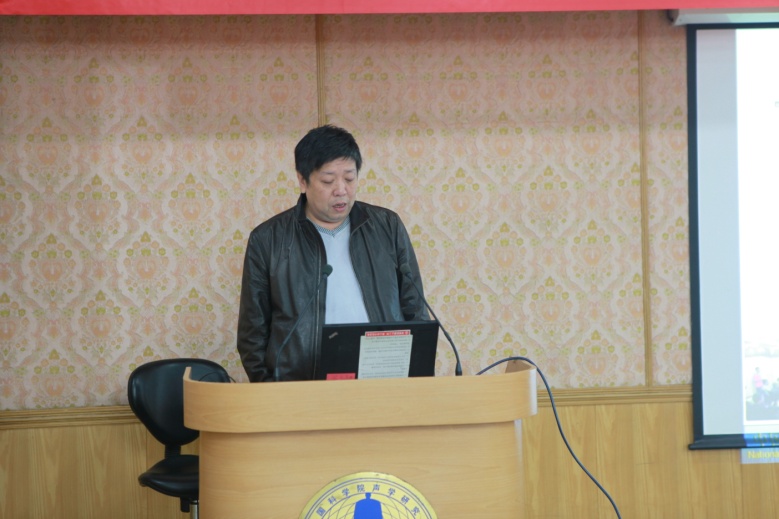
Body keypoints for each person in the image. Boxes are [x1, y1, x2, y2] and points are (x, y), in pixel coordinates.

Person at [237, 125, 429, 382]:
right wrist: (271, 390)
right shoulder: (268, 240)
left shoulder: (387, 227)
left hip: (382, 379)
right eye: (328, 181)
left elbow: (415, 309)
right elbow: (252, 334)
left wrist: (414, 378)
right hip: (301, 385)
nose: (341, 190)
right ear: (303, 181)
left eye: (349, 178)